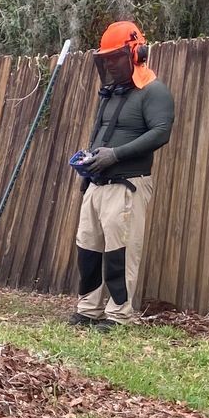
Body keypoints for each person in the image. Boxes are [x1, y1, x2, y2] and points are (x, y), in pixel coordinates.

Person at [71, 21, 173, 327]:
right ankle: (88, 310)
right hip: (97, 183)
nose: (111, 64)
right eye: (106, 59)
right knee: (87, 246)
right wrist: (87, 167)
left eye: (116, 57)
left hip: (127, 184)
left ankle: (118, 315)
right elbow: (99, 133)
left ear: (137, 52)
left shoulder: (154, 92)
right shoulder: (111, 92)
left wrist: (115, 155)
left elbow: (161, 133)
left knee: (120, 251)